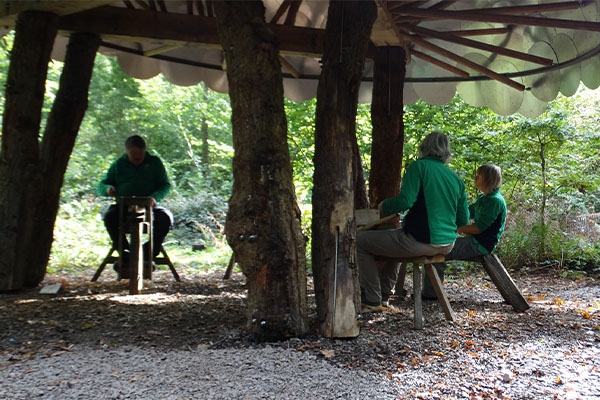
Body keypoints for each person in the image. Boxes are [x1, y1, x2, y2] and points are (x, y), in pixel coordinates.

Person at [357, 131, 469, 313]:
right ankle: (385, 296)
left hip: (421, 241)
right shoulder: (455, 178)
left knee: (359, 241)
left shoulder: (419, 167)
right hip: (448, 244)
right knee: (395, 239)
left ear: (424, 147)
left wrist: (385, 205)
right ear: (447, 152)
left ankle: (371, 299)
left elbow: (405, 201)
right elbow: (463, 219)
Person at [422, 163, 507, 299]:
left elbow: (478, 229)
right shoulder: (484, 198)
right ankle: (430, 292)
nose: (475, 179)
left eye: (479, 176)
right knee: (436, 247)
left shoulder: (495, 201)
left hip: (481, 244)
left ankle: (431, 294)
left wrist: (454, 228)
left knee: (439, 250)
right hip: (475, 240)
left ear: (488, 179)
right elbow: (466, 213)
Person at [97, 135, 173, 275]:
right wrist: (108, 189)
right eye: (133, 154)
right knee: (110, 217)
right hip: (123, 206)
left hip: (149, 206)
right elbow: (102, 184)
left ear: (145, 151)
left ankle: (148, 253)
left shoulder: (154, 162)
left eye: (140, 153)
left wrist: (155, 197)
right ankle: (125, 253)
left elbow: (165, 185)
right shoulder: (118, 164)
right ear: (127, 152)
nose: (137, 157)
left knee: (165, 218)